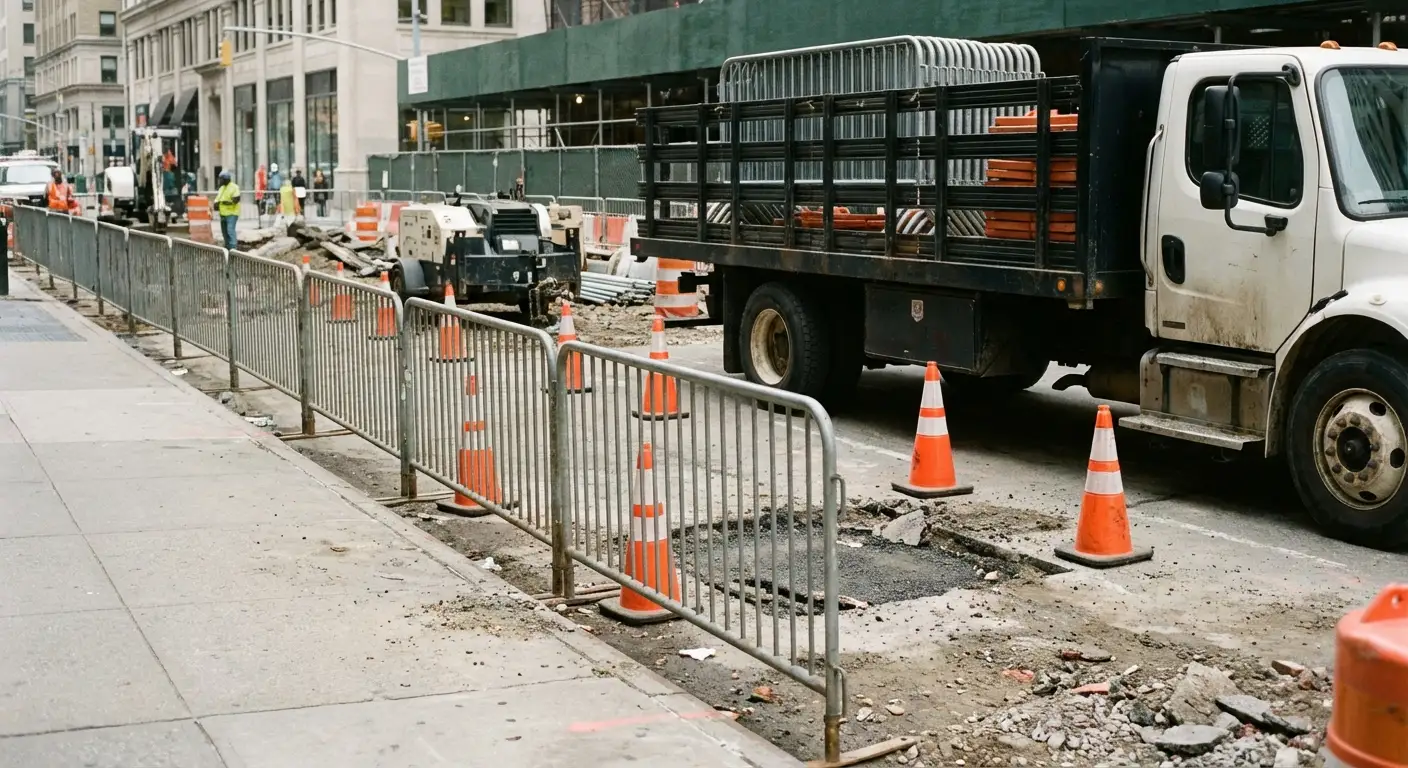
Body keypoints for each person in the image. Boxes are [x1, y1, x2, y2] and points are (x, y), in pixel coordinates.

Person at [214, 170, 241, 251]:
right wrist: (216, 204)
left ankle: (233, 248)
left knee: (230, 230)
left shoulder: (234, 187)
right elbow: (217, 199)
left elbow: (236, 200)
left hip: (232, 213)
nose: (219, 181)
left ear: (226, 179)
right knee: (224, 232)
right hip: (223, 214)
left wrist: (225, 203)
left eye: (221, 179)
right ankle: (227, 247)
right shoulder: (221, 188)